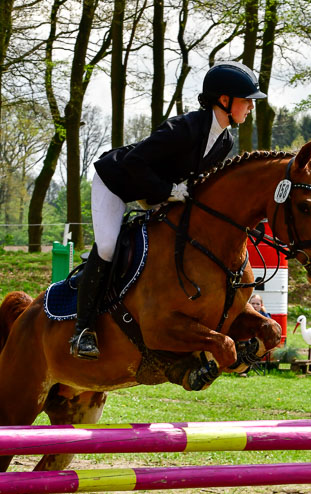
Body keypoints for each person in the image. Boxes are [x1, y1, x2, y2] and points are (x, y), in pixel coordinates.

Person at [69, 62, 267, 360]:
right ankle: (83, 330)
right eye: (247, 100)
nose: (251, 106)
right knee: (108, 246)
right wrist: (169, 191)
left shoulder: (225, 140)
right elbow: (134, 162)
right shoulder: (184, 128)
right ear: (224, 100)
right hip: (118, 182)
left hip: (158, 192)